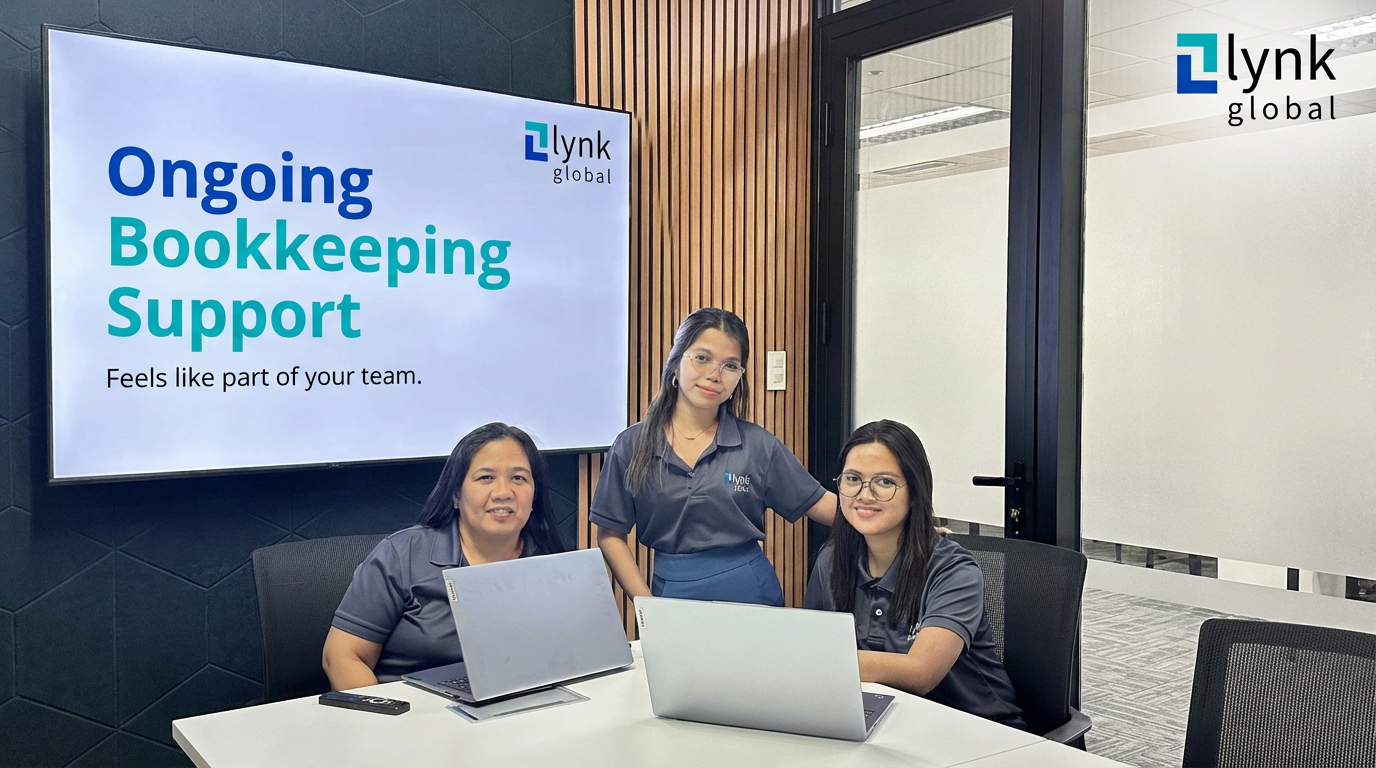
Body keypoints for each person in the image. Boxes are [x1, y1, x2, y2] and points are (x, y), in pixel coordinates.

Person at [592, 307, 837, 606]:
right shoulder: (632, 445)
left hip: (751, 594)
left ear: (739, 378)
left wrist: (899, 512)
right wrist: (646, 605)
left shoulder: (758, 445)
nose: (714, 375)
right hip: (670, 596)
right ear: (676, 363)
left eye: (730, 365)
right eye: (702, 358)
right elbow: (610, 535)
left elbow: (822, 505)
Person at [804, 419, 1025, 729]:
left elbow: (920, 672)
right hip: (886, 723)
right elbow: (812, 648)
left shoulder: (952, 570)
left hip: (975, 729)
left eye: (884, 482)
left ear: (915, 491)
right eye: (853, 479)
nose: (864, 495)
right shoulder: (831, 560)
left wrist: (805, 660)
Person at [322, 422, 567, 690]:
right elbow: (342, 657)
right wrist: (387, 725)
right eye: (486, 477)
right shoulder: (403, 555)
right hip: (413, 716)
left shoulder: (551, 563)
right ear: (456, 495)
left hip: (515, 712)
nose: (503, 493)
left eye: (518, 478)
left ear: (535, 496)